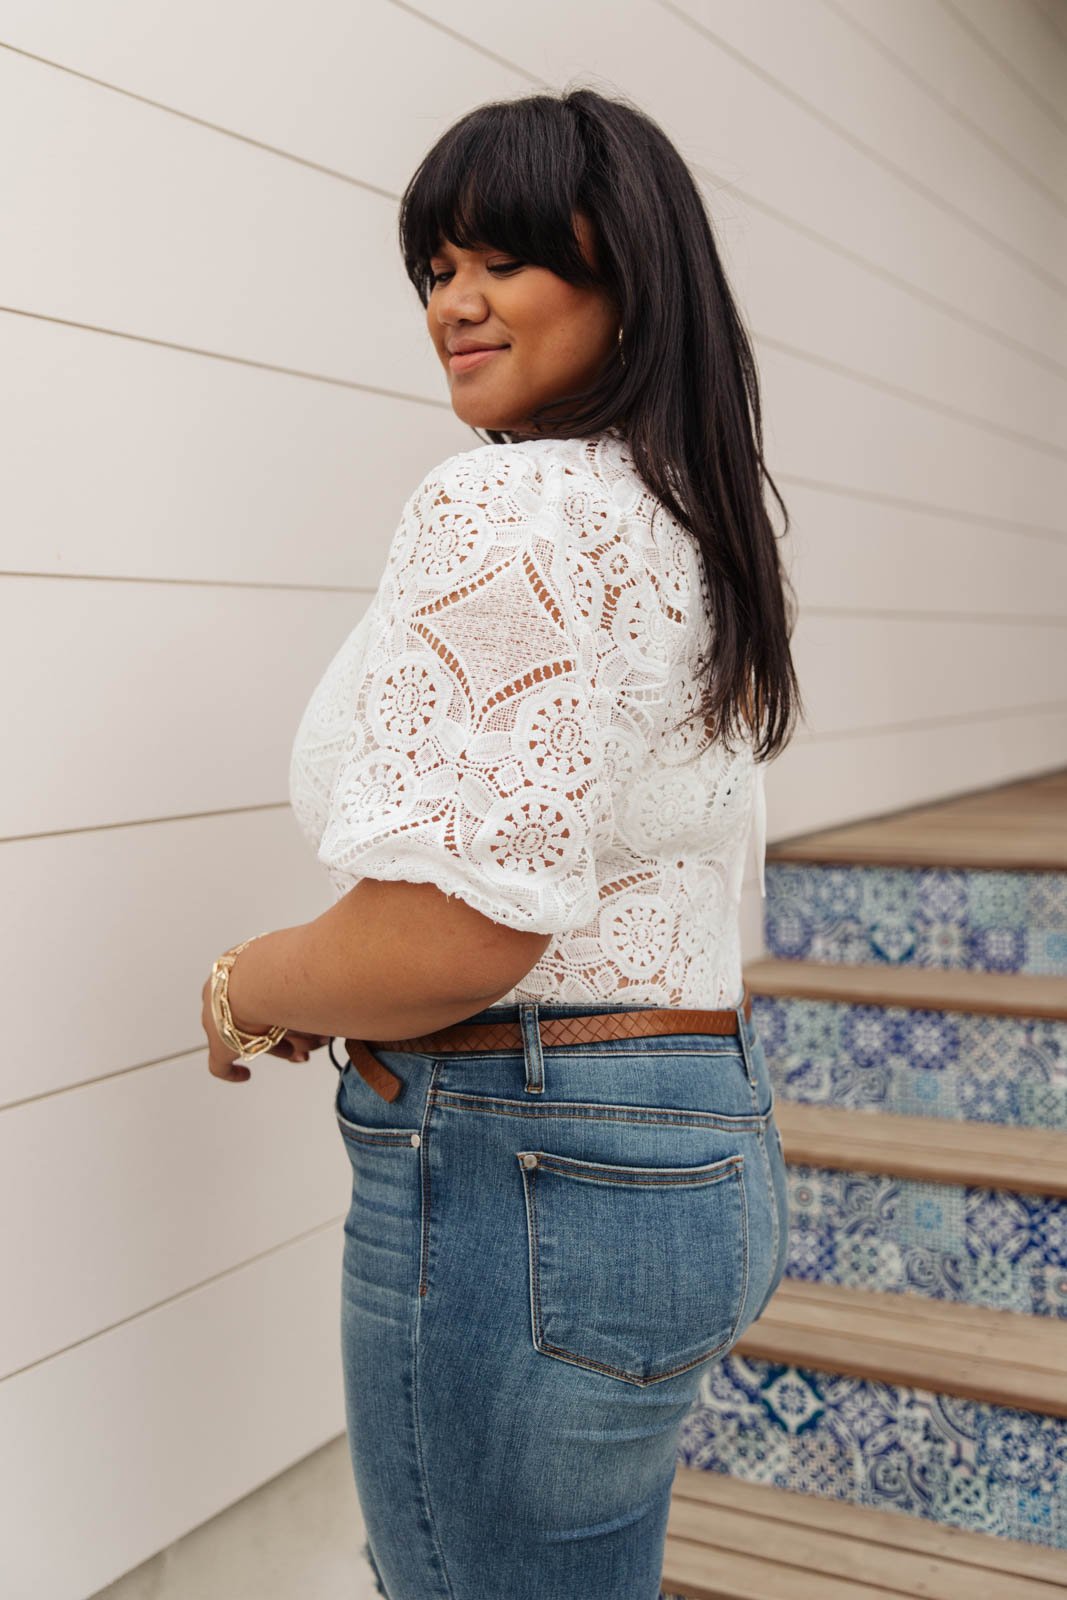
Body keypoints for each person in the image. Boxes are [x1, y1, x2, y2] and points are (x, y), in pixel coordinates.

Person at [202, 84, 802, 1600]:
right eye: (434, 268)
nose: (454, 307)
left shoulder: (512, 503)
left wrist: (247, 980)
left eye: (505, 262)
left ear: (629, 273)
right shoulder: (685, 519)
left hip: (524, 1167)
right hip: (688, 1137)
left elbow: (454, 933)